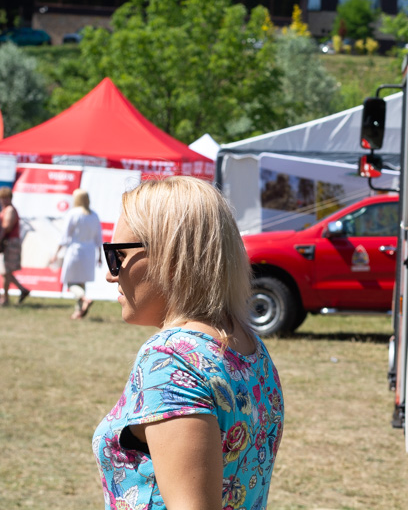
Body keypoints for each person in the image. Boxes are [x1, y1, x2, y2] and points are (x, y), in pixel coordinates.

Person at [92, 176, 284, 510]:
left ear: (170, 255)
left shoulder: (170, 359)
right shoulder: (249, 346)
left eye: (118, 255)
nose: (111, 273)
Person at [50, 189, 102, 319]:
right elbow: (98, 238)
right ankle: (79, 311)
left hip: (75, 251)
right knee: (82, 282)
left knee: (71, 282)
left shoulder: (73, 214)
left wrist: (56, 252)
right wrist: (100, 255)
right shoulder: (94, 215)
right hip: (89, 252)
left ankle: (84, 299)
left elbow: (65, 236)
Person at [0, 186, 30, 306]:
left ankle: (5, 298)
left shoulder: (10, 210)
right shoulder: (5, 210)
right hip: (7, 242)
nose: (3, 200)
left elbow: (7, 227)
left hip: (10, 243)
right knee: (5, 272)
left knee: (6, 271)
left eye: (5, 198)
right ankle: (23, 290)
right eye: (2, 198)